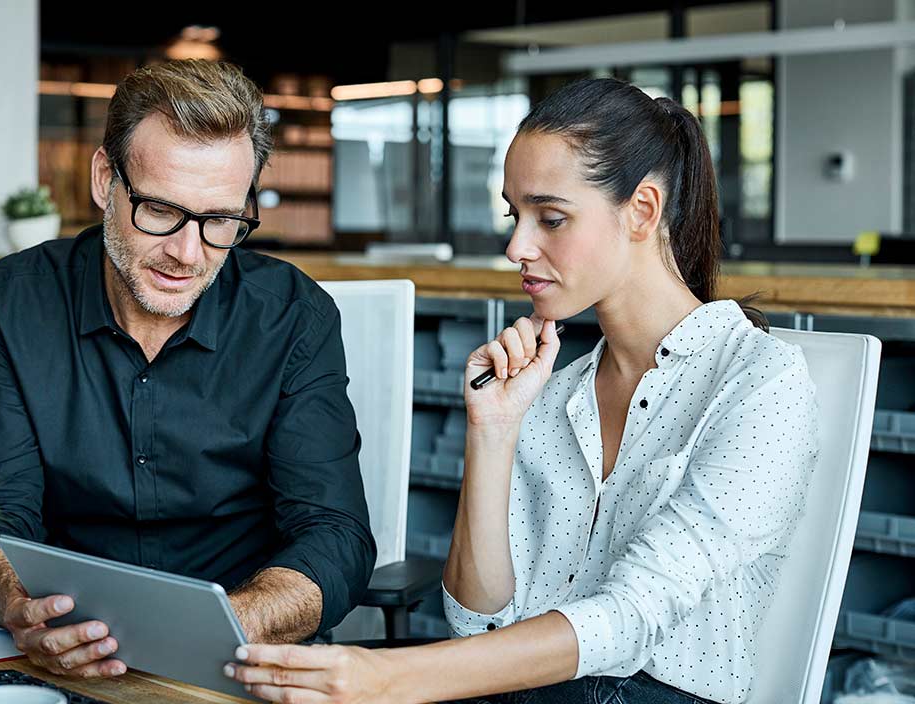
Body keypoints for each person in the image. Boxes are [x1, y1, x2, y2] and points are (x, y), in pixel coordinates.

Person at [224, 77, 820, 704]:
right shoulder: (552, 391)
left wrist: (390, 677)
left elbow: (630, 618)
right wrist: (493, 431)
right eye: (515, 215)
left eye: (551, 218)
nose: (517, 247)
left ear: (642, 210)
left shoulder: (760, 384)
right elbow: (476, 620)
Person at [0, 59, 376, 680]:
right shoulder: (12, 303)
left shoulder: (294, 318)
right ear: (105, 180)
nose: (186, 252)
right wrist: (21, 607)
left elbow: (334, 535)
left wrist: (226, 624)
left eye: (220, 221)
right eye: (158, 210)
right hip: (61, 651)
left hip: (240, 654)